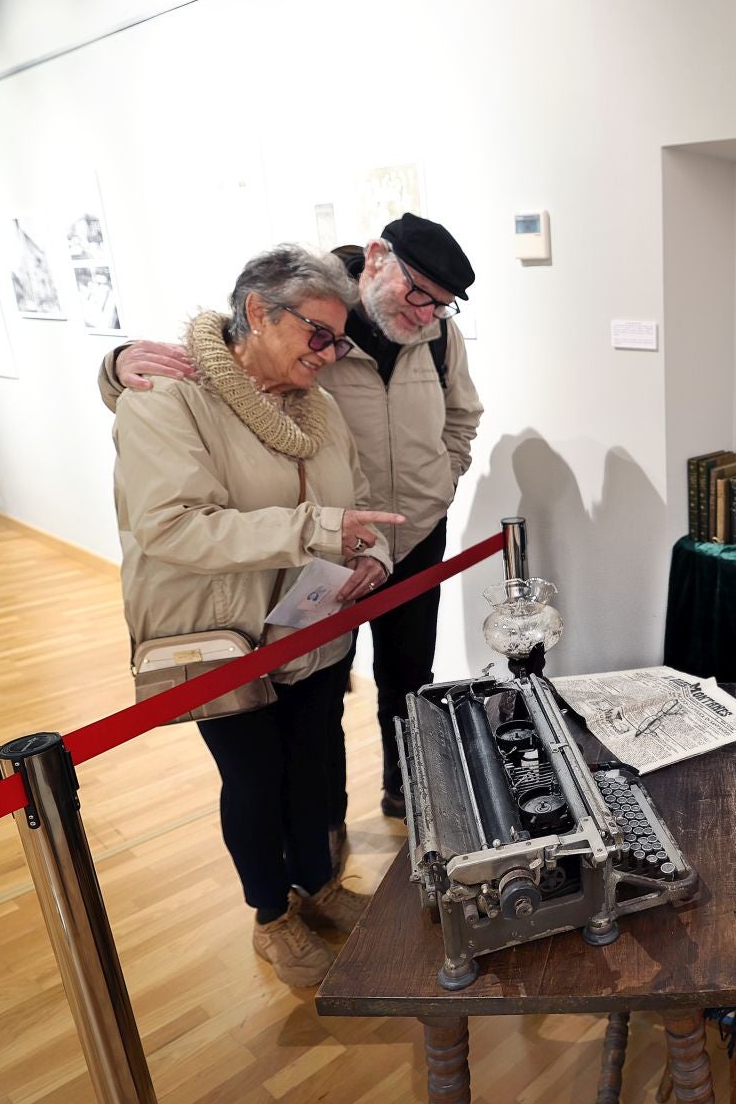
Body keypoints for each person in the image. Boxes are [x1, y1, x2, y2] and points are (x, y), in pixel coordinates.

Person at [100, 214, 482, 836]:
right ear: (377, 258)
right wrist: (114, 367)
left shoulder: (438, 338)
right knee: (313, 701)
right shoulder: (306, 318)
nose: (425, 314)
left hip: (406, 536)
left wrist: (441, 480)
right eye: (418, 294)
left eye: (441, 306)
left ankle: (405, 793)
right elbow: (214, 371)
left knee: (406, 678)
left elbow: (461, 416)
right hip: (314, 549)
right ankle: (318, 843)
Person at [111, 244, 404, 987]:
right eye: (318, 335)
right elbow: (170, 526)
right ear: (256, 312)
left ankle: (321, 884)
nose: (331, 355)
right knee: (255, 779)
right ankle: (271, 916)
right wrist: (314, 529)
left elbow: (359, 496)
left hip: (311, 629)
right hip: (222, 635)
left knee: (315, 763)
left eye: (340, 340)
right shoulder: (169, 397)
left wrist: (377, 558)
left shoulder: (322, 407)